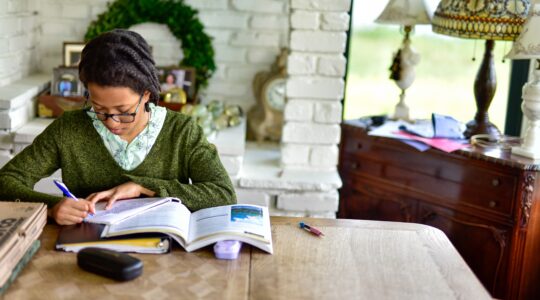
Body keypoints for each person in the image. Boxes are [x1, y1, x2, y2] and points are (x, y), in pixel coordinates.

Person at [0, 29, 236, 225]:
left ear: (146, 94)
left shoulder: (182, 131)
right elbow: (7, 181)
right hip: (85, 250)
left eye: (124, 112)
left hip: (167, 254)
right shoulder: (69, 129)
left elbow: (223, 195)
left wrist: (144, 187)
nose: (112, 122)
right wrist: (51, 208)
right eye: (99, 109)